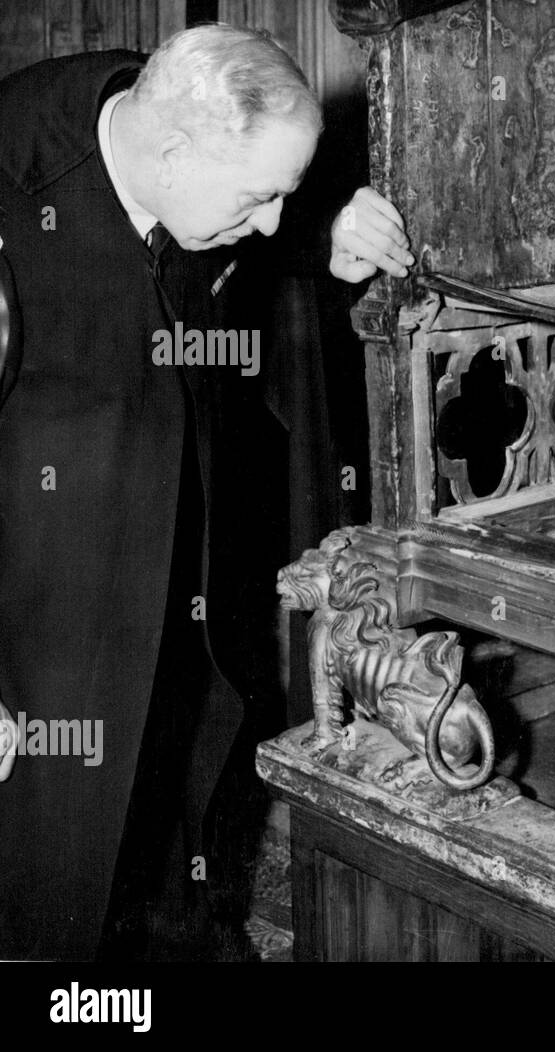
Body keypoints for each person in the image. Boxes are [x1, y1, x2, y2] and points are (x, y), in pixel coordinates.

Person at [0, 23, 412, 960]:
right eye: (260, 197)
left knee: (177, 856)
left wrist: (318, 225)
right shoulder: (17, 192)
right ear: (174, 155)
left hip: (171, 608)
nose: (266, 222)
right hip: (38, 643)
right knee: (52, 890)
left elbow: (239, 232)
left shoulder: (160, 130)